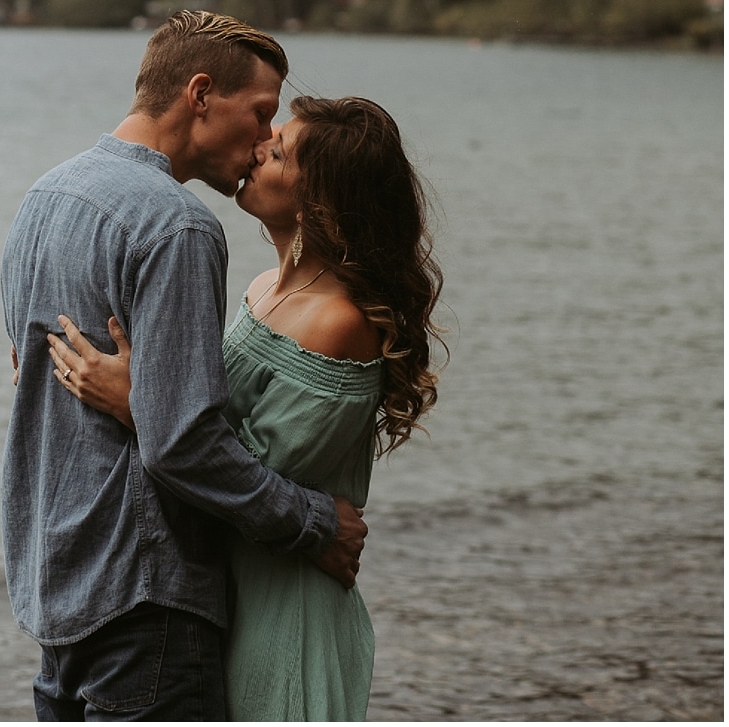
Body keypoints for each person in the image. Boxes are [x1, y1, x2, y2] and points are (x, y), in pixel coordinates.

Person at [1, 11, 368, 722]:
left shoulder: (41, 199)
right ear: (200, 92)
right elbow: (183, 442)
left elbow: (25, 370)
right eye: (261, 113)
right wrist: (315, 523)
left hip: (53, 598)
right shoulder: (178, 225)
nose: (265, 137)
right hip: (147, 605)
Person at [48, 95, 443, 721]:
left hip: (283, 605)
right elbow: (205, 419)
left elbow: (240, 469)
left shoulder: (339, 323)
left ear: (324, 201)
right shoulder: (264, 288)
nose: (259, 149)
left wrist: (135, 401)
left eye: (279, 151)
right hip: (224, 589)